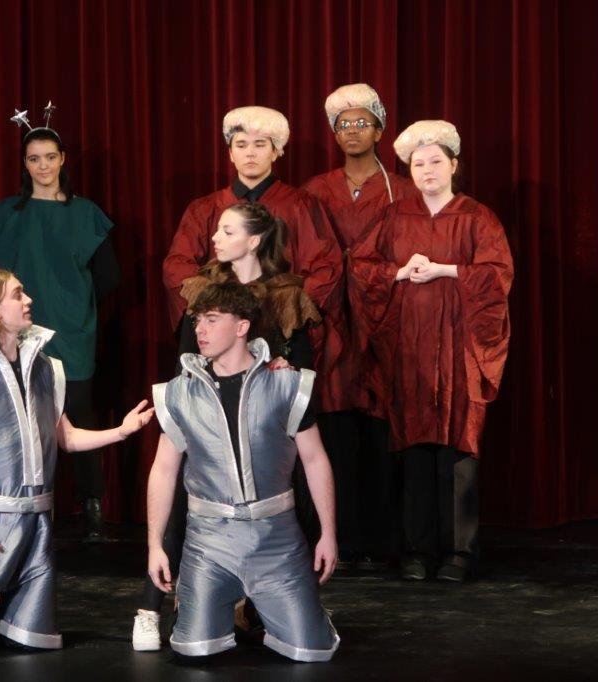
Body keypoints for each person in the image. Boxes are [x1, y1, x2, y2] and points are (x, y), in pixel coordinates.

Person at [0, 270, 152, 654]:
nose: (29, 300)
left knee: (32, 642)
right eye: (17, 294)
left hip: (38, 520)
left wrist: (120, 432)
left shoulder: (44, 368)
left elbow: (67, 438)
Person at [132, 201, 320, 650]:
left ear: (253, 240)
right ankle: (150, 607)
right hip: (208, 404)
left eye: (227, 230)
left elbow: (300, 356)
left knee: (284, 499)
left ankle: (295, 600)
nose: (215, 238)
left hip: (266, 411)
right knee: (186, 499)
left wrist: (281, 367)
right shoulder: (204, 290)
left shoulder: (286, 292)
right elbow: (186, 354)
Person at [349, 120, 513, 582]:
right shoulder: (394, 217)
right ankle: (419, 550)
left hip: (459, 350)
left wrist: (444, 269)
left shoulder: (477, 217)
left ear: (454, 164)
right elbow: (362, 267)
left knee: (458, 449)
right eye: (418, 164)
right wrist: (399, 273)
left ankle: (461, 553)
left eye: (435, 161)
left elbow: (497, 276)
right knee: (416, 449)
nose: (426, 170)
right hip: (411, 350)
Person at [146, 282, 339, 661]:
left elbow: (315, 460)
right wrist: (154, 544)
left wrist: (328, 533)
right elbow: (163, 470)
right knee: (194, 649)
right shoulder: (180, 393)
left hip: (276, 539)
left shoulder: (285, 383)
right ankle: (215, 608)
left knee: (311, 651)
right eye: (198, 320)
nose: (199, 329)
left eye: (211, 320)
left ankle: (282, 612)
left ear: (241, 326)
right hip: (209, 542)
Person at [0, 110, 120, 540]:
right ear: (25, 163)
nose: (42, 166)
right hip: (19, 331)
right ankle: (30, 498)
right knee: (22, 414)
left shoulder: (87, 214)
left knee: (78, 409)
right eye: (34, 158)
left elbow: (109, 276)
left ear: (62, 160)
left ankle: (91, 501)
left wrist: (76, 303)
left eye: (49, 157)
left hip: (73, 330)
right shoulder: (5, 215)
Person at [301, 84, 417, 570]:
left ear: (379, 128)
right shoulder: (314, 190)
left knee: (380, 429)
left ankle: (382, 540)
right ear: (333, 132)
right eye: (343, 124)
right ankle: (336, 540)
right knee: (334, 430)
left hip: (384, 321)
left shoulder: (402, 190)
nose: (352, 131)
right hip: (330, 324)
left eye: (361, 122)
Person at [161, 106, 342, 334]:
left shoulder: (301, 205)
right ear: (230, 153)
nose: (250, 153)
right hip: (219, 325)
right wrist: (220, 300)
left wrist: (287, 303)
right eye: (241, 144)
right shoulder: (204, 209)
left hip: (280, 324)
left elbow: (326, 266)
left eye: (260, 145)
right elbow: (177, 265)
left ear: (275, 151)